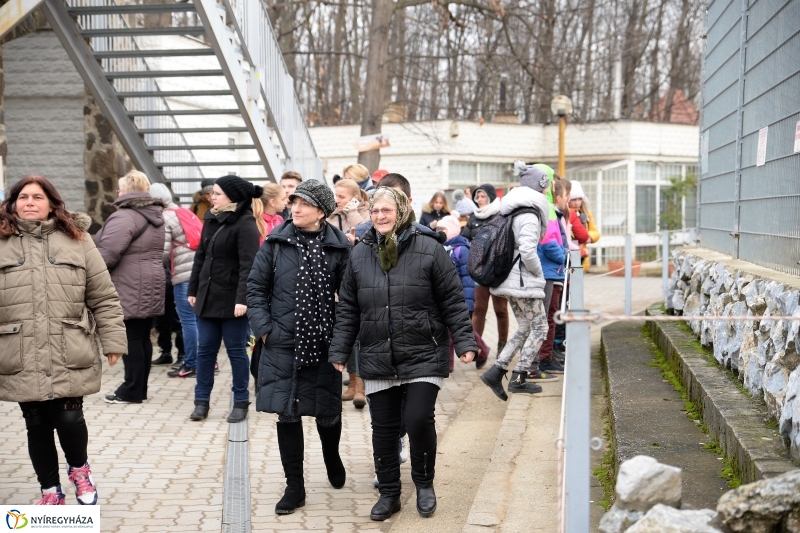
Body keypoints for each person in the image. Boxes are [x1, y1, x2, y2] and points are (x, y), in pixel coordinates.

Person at [329, 186, 477, 522]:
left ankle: (424, 485)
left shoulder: (429, 248)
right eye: (375, 211)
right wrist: (340, 349)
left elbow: (453, 299)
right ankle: (390, 494)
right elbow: (348, 307)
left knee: (418, 418)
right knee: (384, 428)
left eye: (387, 210)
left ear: (401, 212)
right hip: (378, 352)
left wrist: (465, 343)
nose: (380, 216)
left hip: (424, 349)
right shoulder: (360, 253)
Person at [0, 175, 127, 505]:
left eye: (37, 197)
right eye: (23, 197)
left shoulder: (78, 240)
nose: (30, 202)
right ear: (13, 204)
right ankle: (50, 491)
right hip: (19, 350)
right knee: (37, 424)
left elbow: (103, 295)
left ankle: (80, 471)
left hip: (68, 346)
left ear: (51, 204)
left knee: (69, 418)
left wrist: (113, 340)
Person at [247, 180, 350, 515]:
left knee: (327, 410)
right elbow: (255, 287)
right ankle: (295, 486)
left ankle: (331, 454)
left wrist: (341, 340)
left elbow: (350, 299)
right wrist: (265, 330)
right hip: (282, 343)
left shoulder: (340, 248)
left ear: (321, 212)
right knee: (287, 413)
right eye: (294, 203)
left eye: (304, 204)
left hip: (323, 343)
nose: (296, 209)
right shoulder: (275, 243)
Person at [187, 175, 262, 423]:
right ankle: (201, 401)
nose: (212, 197)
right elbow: (201, 257)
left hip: (233, 302)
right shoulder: (211, 218)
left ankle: (241, 401)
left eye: (217, 193)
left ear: (233, 197)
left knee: (236, 352)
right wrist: (193, 290)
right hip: (207, 298)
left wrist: (243, 300)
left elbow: (248, 266)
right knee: (205, 351)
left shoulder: (246, 224)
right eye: (212, 193)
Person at [480, 163, 555, 402]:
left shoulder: (513, 210)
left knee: (524, 327)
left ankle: (496, 372)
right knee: (540, 327)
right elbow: (528, 251)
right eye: (546, 185)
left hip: (510, 281)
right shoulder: (530, 215)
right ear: (539, 187)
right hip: (523, 282)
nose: (547, 190)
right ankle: (519, 377)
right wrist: (539, 274)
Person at [96, 170, 166, 404]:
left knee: (131, 338)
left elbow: (108, 253)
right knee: (142, 336)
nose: (117, 192)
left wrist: (91, 272)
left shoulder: (125, 216)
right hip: (151, 280)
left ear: (127, 190)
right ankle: (139, 389)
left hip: (130, 282)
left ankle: (131, 390)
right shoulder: (154, 214)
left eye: (119, 188)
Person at [149, 183, 200, 379]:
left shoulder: (165, 217)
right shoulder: (183, 212)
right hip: (197, 272)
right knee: (197, 320)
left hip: (183, 274)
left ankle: (191, 364)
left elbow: (161, 251)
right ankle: (206, 362)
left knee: (188, 322)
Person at [327, 177, 370, 406]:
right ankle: (352, 382)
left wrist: (351, 212)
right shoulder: (331, 216)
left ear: (354, 197)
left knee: (361, 335)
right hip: (338, 283)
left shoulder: (367, 213)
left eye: (341, 196)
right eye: (336, 195)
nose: (337, 200)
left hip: (362, 281)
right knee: (347, 335)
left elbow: (366, 234)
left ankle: (361, 385)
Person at [461, 183, 510, 355]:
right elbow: (465, 240)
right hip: (479, 271)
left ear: (491, 197)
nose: (480, 200)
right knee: (479, 309)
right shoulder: (473, 218)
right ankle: (477, 348)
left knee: (501, 310)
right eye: (477, 197)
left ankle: (503, 346)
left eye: (483, 196)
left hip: (497, 272)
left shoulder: (501, 215)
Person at [436, 215, 489, 370]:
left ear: (452, 230)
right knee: (450, 330)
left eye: (443, 229)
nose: (439, 232)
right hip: (445, 296)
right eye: (438, 229)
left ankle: (482, 351)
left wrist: (467, 301)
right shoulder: (441, 248)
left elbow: (467, 278)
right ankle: (449, 364)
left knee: (460, 330)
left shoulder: (461, 249)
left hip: (460, 297)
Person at [536, 178, 571, 374]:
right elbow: (550, 244)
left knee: (550, 316)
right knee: (548, 317)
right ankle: (543, 357)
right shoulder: (549, 212)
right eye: (566, 195)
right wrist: (565, 256)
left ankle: (547, 354)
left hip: (554, 271)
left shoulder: (554, 213)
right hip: (550, 272)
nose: (568, 199)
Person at [569, 181, 601, 271]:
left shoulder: (586, 214)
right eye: (574, 200)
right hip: (569, 254)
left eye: (579, 199)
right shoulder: (565, 214)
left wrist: (588, 237)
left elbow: (595, 232)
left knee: (578, 278)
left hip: (583, 256)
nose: (577, 203)